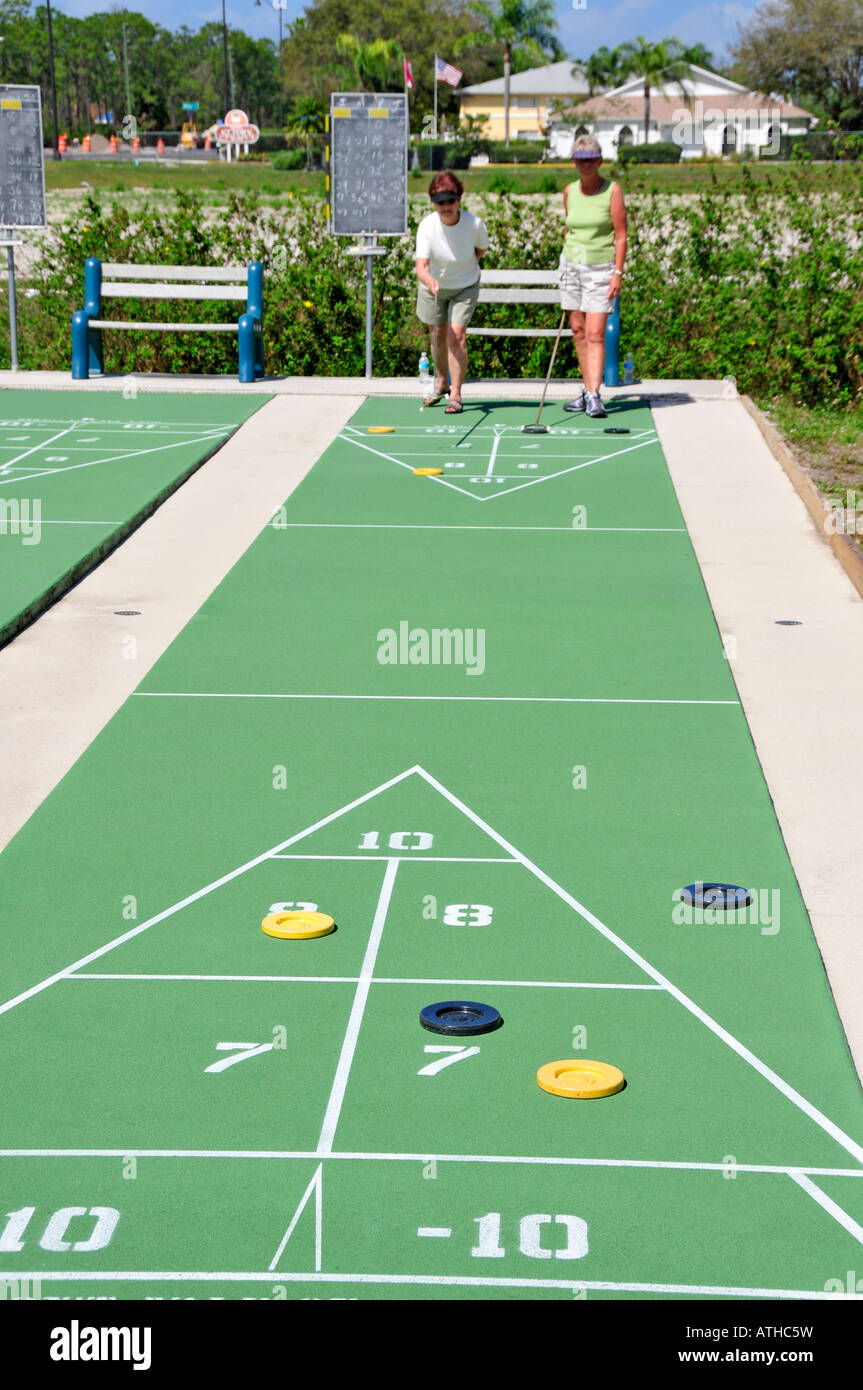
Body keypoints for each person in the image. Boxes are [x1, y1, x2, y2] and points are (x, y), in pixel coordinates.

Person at [559, 134, 627, 419]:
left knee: (597, 333)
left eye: (590, 159)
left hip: (600, 268)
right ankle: (587, 390)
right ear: (574, 161)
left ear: (599, 161)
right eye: (579, 159)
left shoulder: (612, 190)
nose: (585, 164)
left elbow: (621, 236)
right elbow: (569, 228)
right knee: (579, 331)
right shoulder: (569, 191)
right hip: (571, 266)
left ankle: (595, 395)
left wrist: (618, 273)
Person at [415, 171, 489, 414]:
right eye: (440, 201)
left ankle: (455, 394)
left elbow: (479, 250)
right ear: (433, 203)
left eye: (451, 200)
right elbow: (421, 267)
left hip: (465, 286)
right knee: (437, 335)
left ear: (459, 200)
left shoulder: (474, 225)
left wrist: (460, 269)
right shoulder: (427, 226)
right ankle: (441, 382)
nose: (446, 206)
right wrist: (431, 280)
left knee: (456, 336)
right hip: (433, 286)